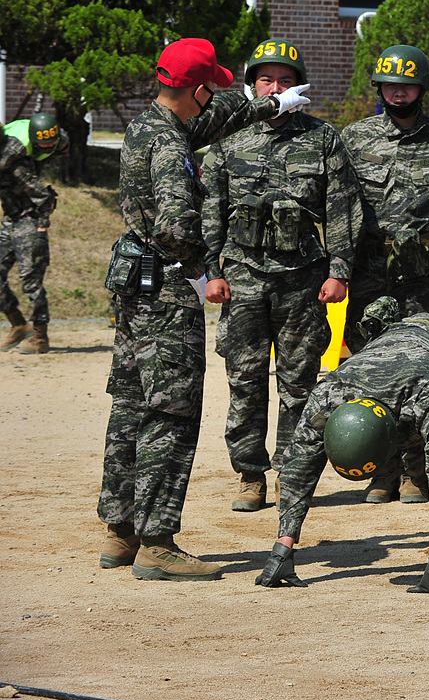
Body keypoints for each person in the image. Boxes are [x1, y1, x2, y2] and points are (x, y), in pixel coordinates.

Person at [99, 37, 311, 581]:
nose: (211, 101)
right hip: (167, 291)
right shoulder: (170, 147)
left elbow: (214, 121)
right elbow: (175, 225)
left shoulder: (148, 125)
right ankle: (158, 541)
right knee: (171, 413)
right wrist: (206, 266)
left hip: (135, 285)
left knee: (131, 407)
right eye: (208, 92)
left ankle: (121, 531)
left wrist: (270, 104)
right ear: (193, 90)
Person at [201, 39, 363, 512]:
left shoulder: (322, 138)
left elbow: (342, 209)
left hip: (303, 278)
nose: (276, 88)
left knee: (299, 380)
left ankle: (291, 473)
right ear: (252, 85)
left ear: (301, 86)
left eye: (286, 81)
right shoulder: (229, 140)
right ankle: (250, 474)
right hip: (244, 274)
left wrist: (339, 271)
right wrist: (212, 271)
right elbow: (210, 208)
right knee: (245, 379)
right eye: (266, 80)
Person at [255, 298, 429, 591]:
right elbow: (299, 467)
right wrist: (282, 548)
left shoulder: (425, 394)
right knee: (417, 468)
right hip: (394, 368)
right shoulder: (330, 394)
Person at [342, 43, 429, 504]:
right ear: (379, 88)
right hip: (367, 277)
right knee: (372, 369)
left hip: (422, 277)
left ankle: (416, 471)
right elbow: (338, 209)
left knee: (422, 370)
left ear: (420, 88)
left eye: (407, 85)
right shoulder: (355, 139)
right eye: (389, 86)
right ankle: (382, 469)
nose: (398, 94)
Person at [0, 113, 69, 353]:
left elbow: (44, 196)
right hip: (11, 219)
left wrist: (41, 225)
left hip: (29, 220)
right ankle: (18, 324)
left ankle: (40, 336)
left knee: (31, 280)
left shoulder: (16, 164)